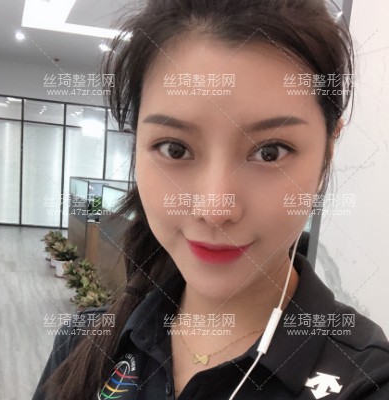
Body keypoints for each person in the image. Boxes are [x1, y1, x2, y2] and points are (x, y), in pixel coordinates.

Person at [33, 0, 389, 399]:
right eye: (175, 149)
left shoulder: (367, 381)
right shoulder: (82, 344)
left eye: (269, 152)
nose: (214, 210)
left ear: (327, 152)